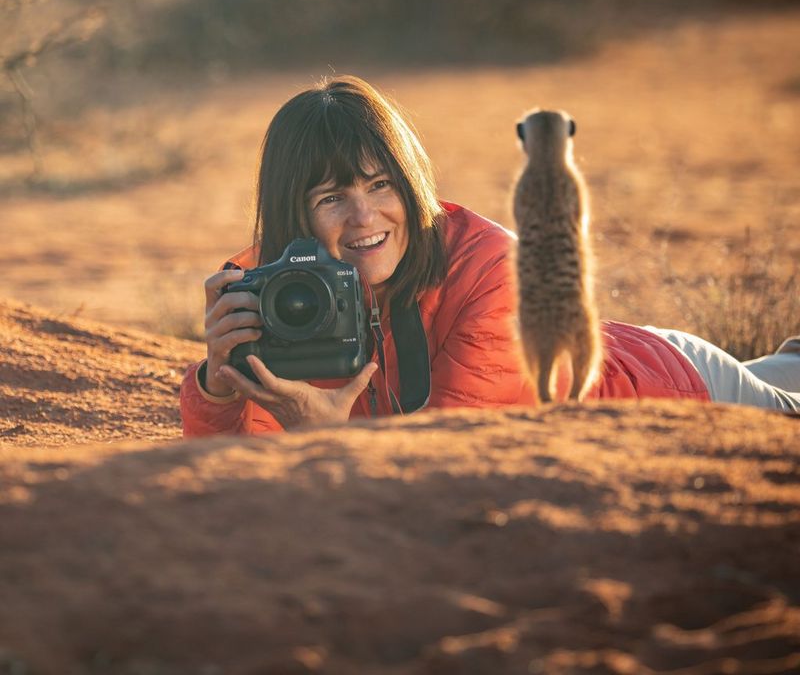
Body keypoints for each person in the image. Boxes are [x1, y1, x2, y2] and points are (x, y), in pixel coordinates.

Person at [180, 76, 799, 435]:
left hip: (670, 385)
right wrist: (218, 385)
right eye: (330, 197)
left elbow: (456, 460)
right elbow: (232, 480)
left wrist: (328, 436)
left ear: (410, 184)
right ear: (294, 211)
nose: (365, 218)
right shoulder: (271, 292)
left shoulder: (492, 269)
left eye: (380, 185)